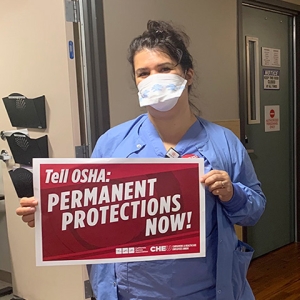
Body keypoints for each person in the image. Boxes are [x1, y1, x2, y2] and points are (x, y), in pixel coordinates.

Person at [16, 20, 266, 300]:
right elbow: (94, 214)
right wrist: (52, 214)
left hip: (207, 291)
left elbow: (253, 211)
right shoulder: (112, 143)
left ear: (188, 74)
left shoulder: (223, 143)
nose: (154, 79)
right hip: (131, 292)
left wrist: (231, 193)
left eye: (165, 69)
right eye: (143, 73)